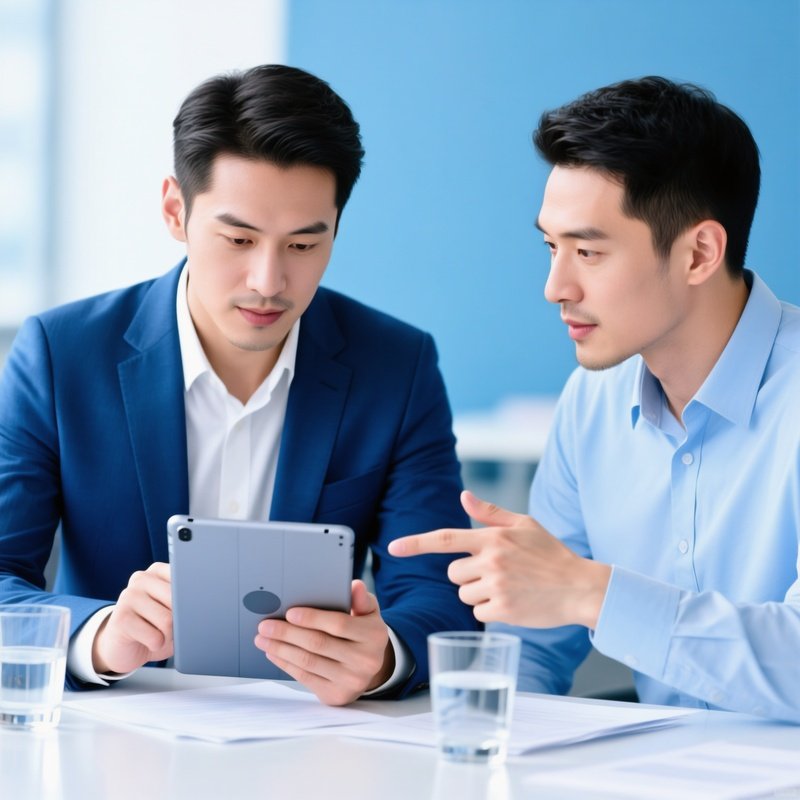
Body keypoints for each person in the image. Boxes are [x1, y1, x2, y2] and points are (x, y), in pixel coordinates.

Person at [0, 64, 477, 705]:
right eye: (238, 238)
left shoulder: (396, 365)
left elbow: (438, 593)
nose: (268, 281)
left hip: (324, 741)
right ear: (176, 210)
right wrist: (99, 634)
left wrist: (383, 657)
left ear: (336, 227)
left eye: (304, 245)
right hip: (119, 734)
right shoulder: (61, 354)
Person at [389, 76, 800, 722]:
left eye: (588, 251)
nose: (556, 286)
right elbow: (530, 650)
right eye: (552, 248)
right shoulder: (593, 400)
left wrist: (594, 594)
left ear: (699, 253)